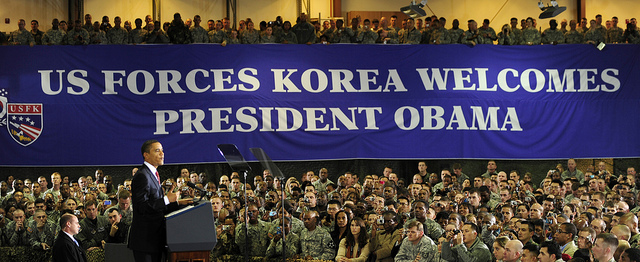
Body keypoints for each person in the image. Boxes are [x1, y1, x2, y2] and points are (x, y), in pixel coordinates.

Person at [128, 140, 192, 262]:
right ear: (146, 155)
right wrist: (167, 199)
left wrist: (177, 203)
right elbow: (142, 207)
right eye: (157, 150)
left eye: (162, 150)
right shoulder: (142, 176)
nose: (162, 153)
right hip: (145, 241)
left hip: (154, 240)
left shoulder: (153, 174)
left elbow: (157, 207)